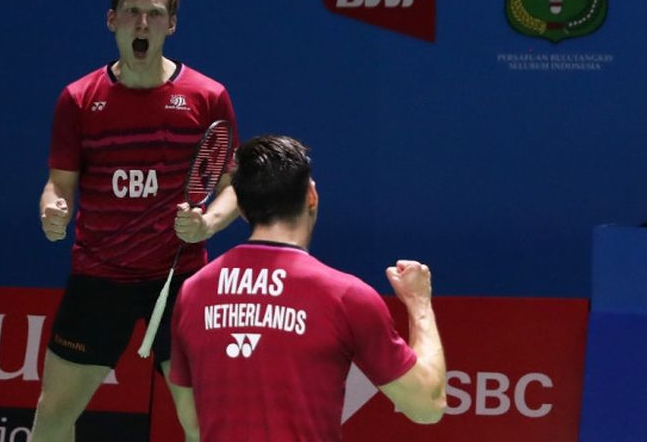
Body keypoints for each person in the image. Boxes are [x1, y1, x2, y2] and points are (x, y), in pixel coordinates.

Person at [35, 0, 239, 441]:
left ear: (171, 24)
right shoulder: (79, 99)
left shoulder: (207, 97)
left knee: (203, 421)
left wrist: (209, 222)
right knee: (52, 419)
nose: (142, 23)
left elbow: (232, 188)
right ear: (112, 21)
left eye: (153, 13)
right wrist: (54, 210)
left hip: (178, 278)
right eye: (131, 12)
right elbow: (58, 185)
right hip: (99, 276)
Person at [170, 135, 447, 442]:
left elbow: (193, 425)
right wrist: (419, 301)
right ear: (311, 196)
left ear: (244, 212)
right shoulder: (345, 297)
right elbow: (427, 406)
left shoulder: (193, 292)